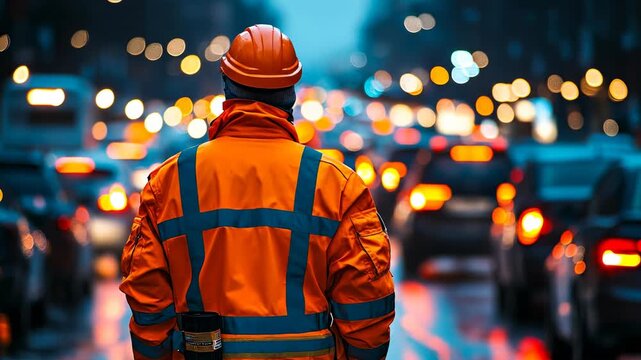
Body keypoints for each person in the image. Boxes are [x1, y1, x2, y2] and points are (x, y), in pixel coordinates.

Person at [120, 24, 395, 359]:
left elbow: (147, 297)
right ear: (292, 93)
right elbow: (367, 306)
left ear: (226, 87)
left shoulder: (171, 181)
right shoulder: (337, 184)